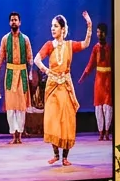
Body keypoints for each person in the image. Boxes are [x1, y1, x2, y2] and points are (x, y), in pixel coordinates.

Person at [35, 11, 93, 167]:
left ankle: (65, 157)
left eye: (55, 26)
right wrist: (46, 71)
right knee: (53, 119)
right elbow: (37, 59)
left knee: (66, 121)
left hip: (66, 86)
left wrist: (89, 25)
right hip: (53, 86)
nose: (52, 29)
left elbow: (86, 44)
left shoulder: (69, 45)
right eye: (51, 26)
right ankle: (55, 154)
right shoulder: (49, 45)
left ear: (62, 29)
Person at [0, 13, 33, 144]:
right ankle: (14, 135)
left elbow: (30, 59)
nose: (13, 22)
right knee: (11, 106)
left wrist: (30, 74)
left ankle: (20, 135)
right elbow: (0, 58)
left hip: (22, 73)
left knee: (21, 106)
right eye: (11, 20)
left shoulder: (26, 40)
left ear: (20, 22)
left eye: (16, 20)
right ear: (9, 23)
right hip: (10, 73)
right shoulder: (5, 39)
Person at [78, 22, 113, 140]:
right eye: (97, 32)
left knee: (107, 107)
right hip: (99, 80)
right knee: (98, 106)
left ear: (105, 33)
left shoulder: (110, 48)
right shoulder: (96, 48)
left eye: (100, 32)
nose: (98, 34)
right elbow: (90, 64)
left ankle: (107, 131)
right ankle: (101, 132)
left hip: (108, 79)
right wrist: (83, 76)